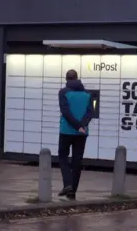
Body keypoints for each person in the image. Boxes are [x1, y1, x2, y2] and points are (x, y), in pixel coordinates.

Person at [57, 69, 93, 200]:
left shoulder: (63, 93)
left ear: (66, 79)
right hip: (82, 133)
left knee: (62, 157)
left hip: (66, 131)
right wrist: (82, 126)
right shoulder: (87, 94)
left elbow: (65, 112)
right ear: (77, 78)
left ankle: (68, 184)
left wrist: (77, 126)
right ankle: (72, 192)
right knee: (77, 161)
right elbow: (90, 113)